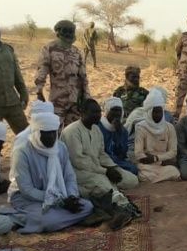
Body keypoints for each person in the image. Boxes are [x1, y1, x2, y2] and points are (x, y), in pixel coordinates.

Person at [8, 101, 94, 233]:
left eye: (53, 133)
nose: (51, 137)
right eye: (46, 133)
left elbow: (69, 177)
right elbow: (27, 190)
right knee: (48, 221)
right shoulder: (22, 152)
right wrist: (59, 201)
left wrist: (71, 197)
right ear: (37, 133)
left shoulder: (60, 147)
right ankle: (28, 218)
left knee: (88, 206)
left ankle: (51, 219)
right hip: (27, 199)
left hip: (58, 196)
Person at [60, 98, 139, 230]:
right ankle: (121, 207)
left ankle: (110, 194)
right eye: (94, 112)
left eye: (99, 112)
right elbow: (79, 161)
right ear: (82, 113)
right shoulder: (71, 132)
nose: (98, 115)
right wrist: (105, 171)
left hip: (98, 169)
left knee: (131, 180)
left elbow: (102, 154)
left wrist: (113, 167)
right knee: (105, 186)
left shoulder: (96, 129)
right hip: (79, 172)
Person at [34, 19, 89, 125]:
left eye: (71, 31)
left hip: (75, 100)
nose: (68, 34)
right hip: (57, 100)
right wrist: (39, 92)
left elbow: (83, 77)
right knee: (55, 129)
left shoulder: (76, 51)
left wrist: (87, 97)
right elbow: (42, 71)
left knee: (72, 131)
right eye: (65, 31)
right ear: (58, 32)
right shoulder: (49, 48)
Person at [134, 89, 180, 183]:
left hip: (162, 162)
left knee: (174, 171)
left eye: (160, 112)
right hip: (146, 164)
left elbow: (173, 151)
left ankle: (156, 178)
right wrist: (146, 158)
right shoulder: (141, 127)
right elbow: (138, 153)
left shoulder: (169, 127)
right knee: (143, 173)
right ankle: (161, 178)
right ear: (149, 112)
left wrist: (157, 158)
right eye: (155, 112)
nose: (158, 115)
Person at [98, 97, 140, 179]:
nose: (117, 113)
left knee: (133, 170)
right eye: (113, 110)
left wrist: (119, 133)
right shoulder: (99, 126)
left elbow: (122, 154)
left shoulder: (123, 131)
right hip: (102, 161)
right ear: (107, 111)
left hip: (117, 162)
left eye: (119, 110)